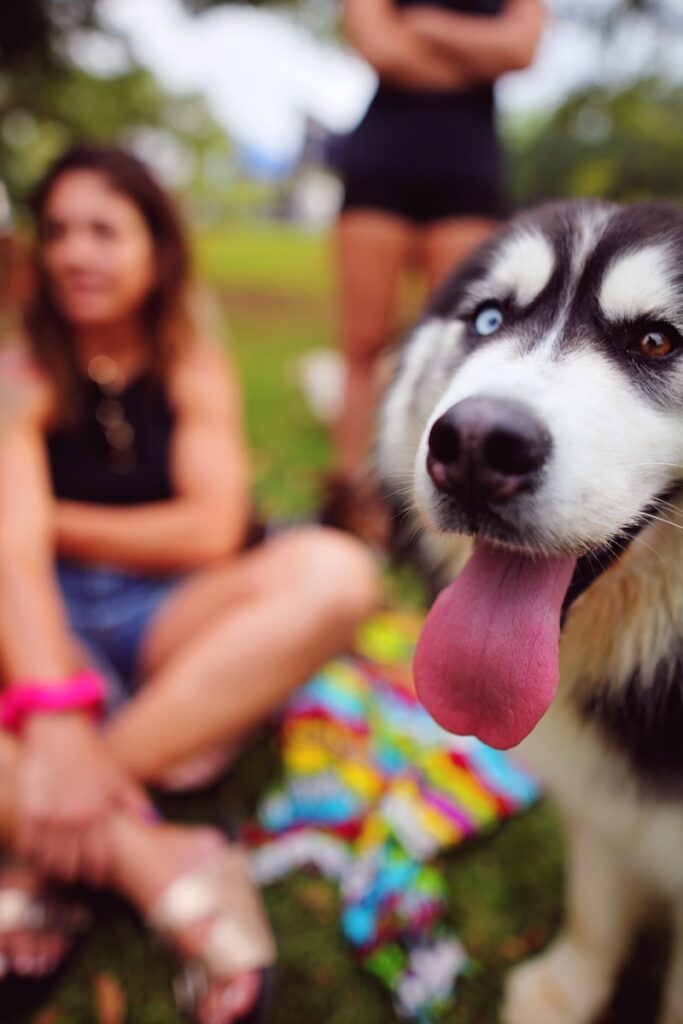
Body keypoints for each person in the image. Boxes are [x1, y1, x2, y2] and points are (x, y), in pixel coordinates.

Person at [0, 144, 379, 1023]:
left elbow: (210, 530)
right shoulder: (22, 374)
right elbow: (14, 560)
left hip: (167, 615)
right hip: (35, 620)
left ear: (156, 247)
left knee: (335, 572)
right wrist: (52, 700)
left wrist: (40, 513)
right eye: (57, 230)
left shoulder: (191, 361)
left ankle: (51, 818)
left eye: (103, 229)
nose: (74, 254)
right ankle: (150, 856)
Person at [324, 0, 545, 530]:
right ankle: (353, 496)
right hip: (379, 168)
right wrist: (475, 53)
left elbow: (521, 49)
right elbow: (379, 47)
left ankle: (427, 494)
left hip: (468, 175)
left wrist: (426, 26)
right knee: (363, 343)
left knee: (462, 343)